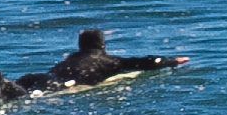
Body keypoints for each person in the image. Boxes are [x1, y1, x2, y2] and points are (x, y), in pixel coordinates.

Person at [44, 29, 187, 85]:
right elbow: (140, 63)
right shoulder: (108, 62)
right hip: (76, 85)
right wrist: (171, 61)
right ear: (102, 45)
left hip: (50, 81)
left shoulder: (66, 62)